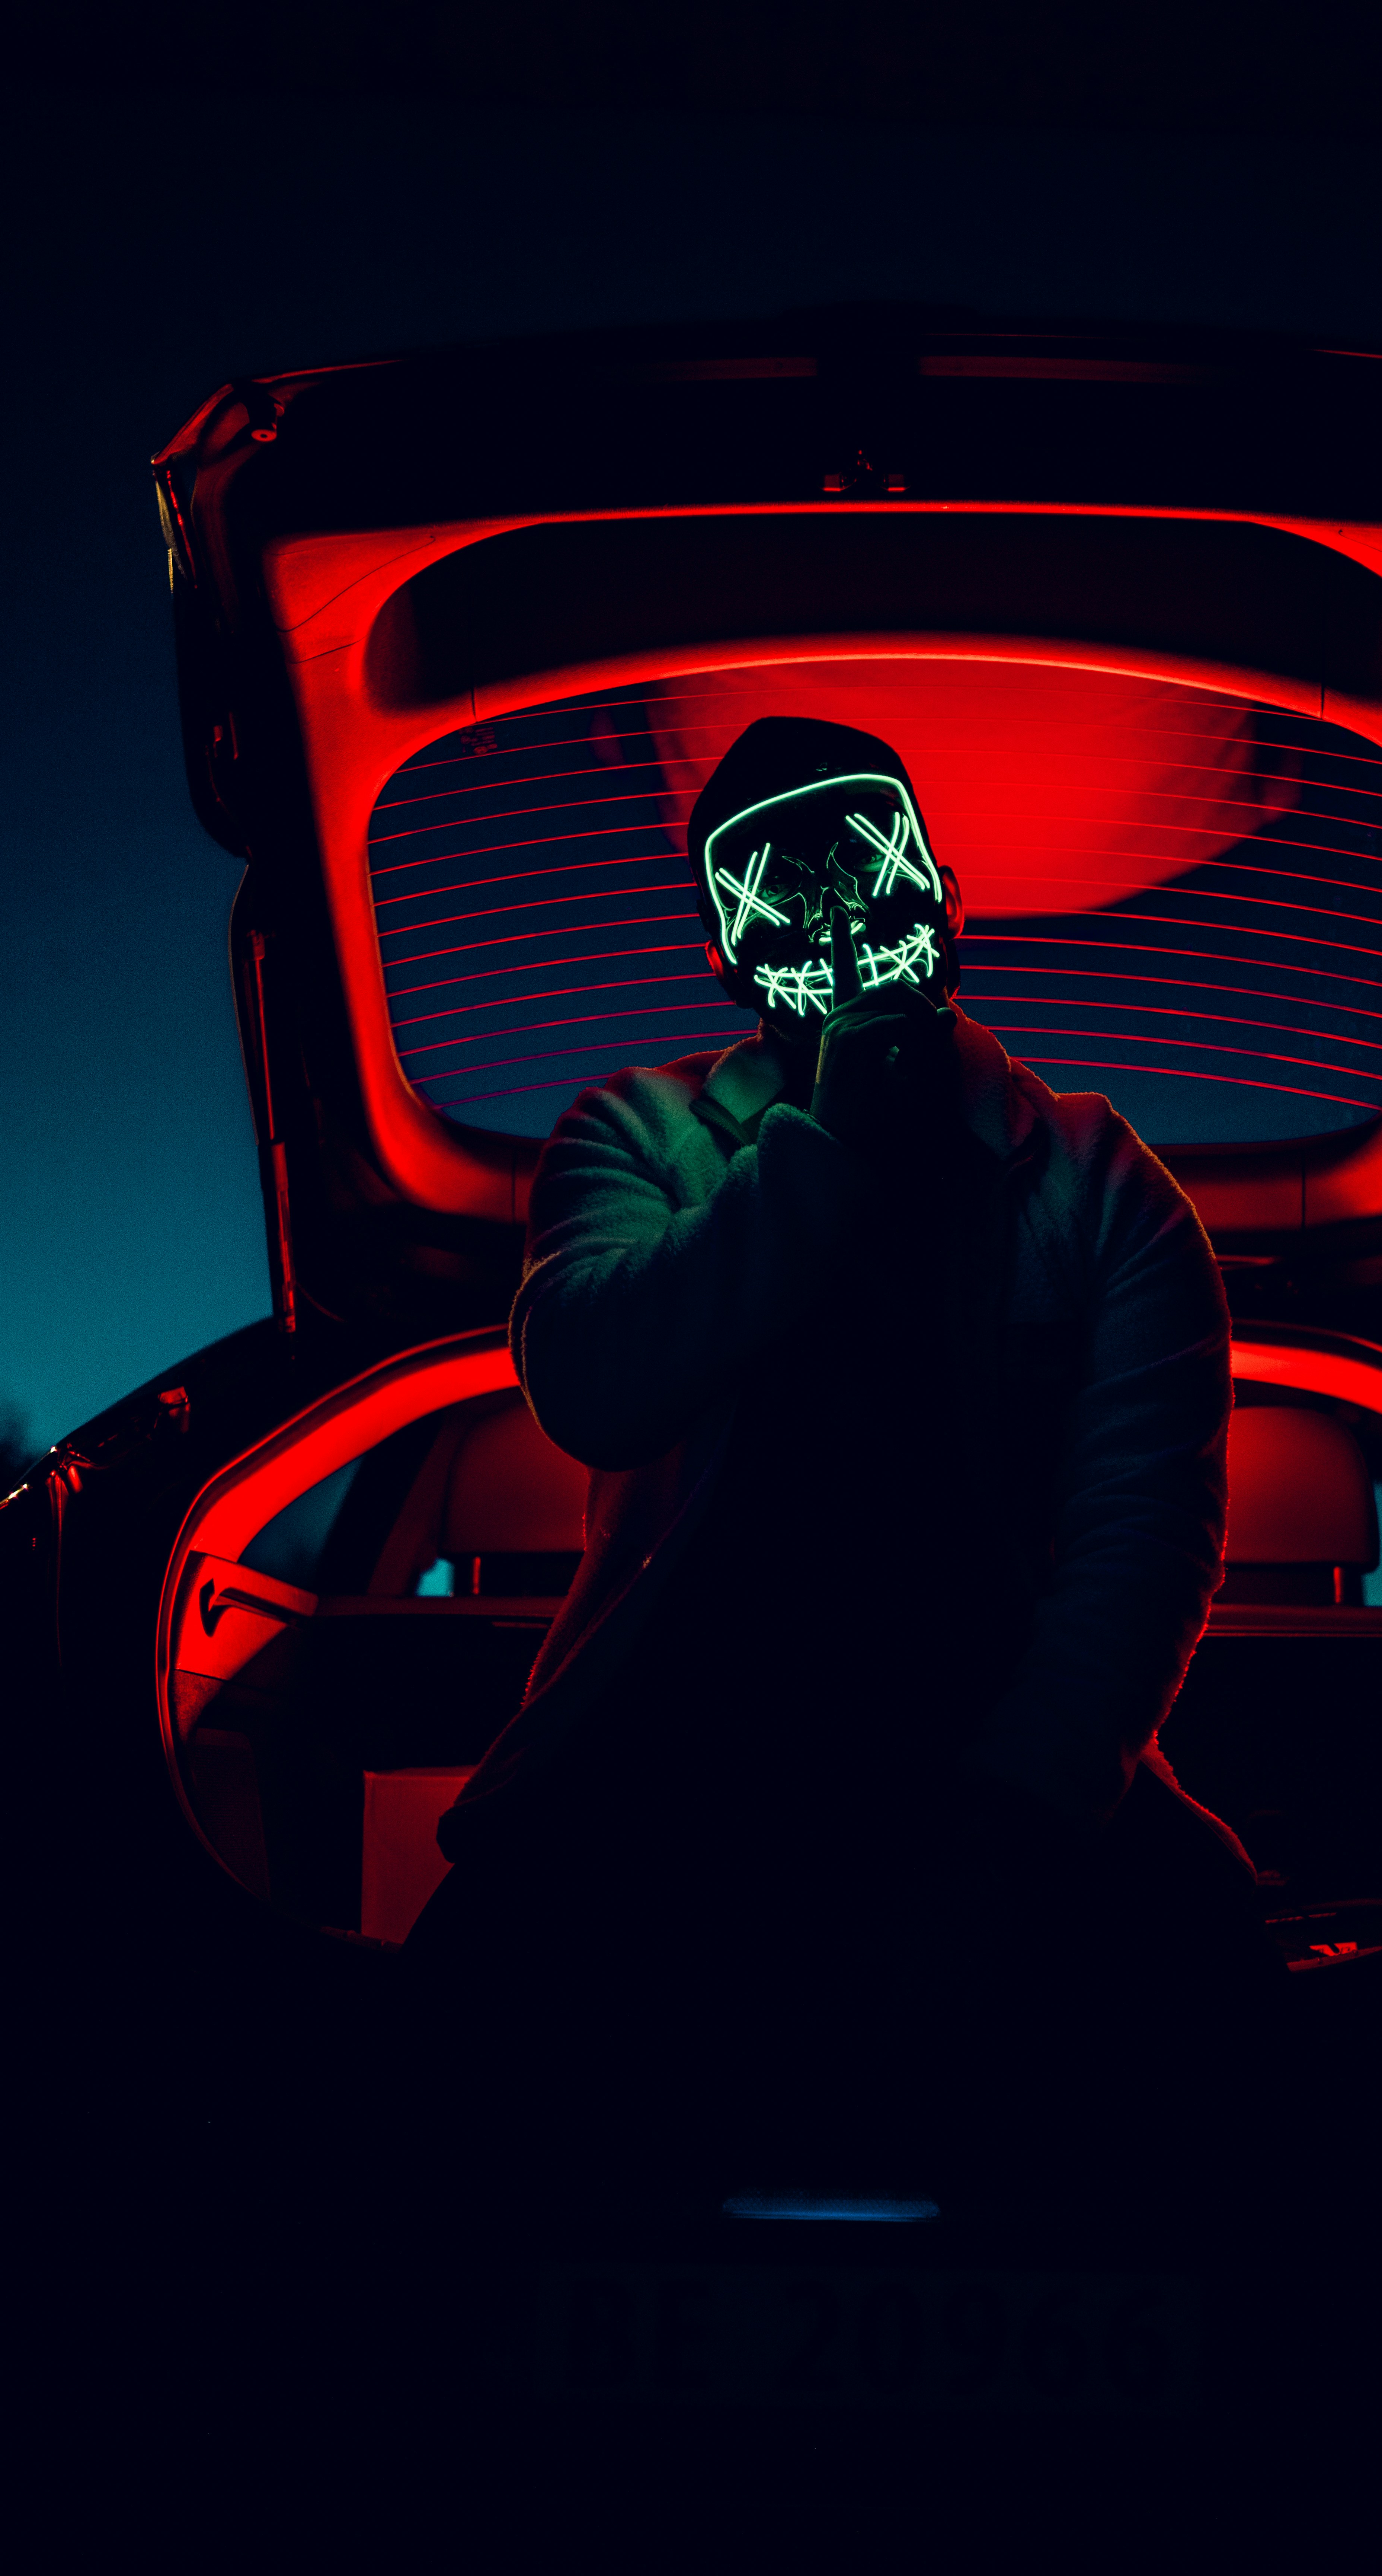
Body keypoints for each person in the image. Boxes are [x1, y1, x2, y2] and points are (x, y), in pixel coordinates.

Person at [404, 716, 1271, 2202]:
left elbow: (1139, 1541)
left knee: (1199, 1978)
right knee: (460, 2039)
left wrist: (1005, 1835)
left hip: (999, 1763)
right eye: (774, 887)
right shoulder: (633, 1134)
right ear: (723, 941)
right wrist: (821, 1155)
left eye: (864, 860)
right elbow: (596, 1378)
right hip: (667, 1764)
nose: (835, 912)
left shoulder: (1101, 1185)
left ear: (937, 881)